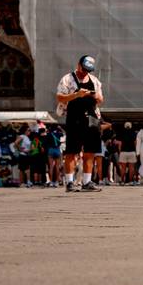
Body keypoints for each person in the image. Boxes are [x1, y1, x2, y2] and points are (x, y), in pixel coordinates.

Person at [56, 54, 104, 192]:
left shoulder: (94, 80)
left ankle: (87, 181)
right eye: (83, 69)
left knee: (90, 151)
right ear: (78, 65)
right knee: (72, 151)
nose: (85, 73)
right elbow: (60, 97)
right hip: (74, 118)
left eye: (88, 70)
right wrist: (76, 94)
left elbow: (101, 100)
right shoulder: (67, 79)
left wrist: (95, 95)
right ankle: (70, 182)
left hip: (92, 118)